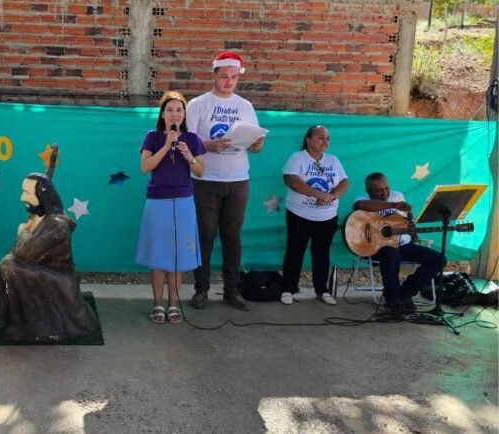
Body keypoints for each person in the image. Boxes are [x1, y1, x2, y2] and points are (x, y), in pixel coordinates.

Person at [186, 51, 264, 311]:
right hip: (205, 180)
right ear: (214, 75)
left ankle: (232, 290)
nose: (229, 82)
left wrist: (256, 144)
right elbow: (187, 141)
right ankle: (201, 290)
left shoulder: (245, 106)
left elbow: (254, 144)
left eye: (233, 78)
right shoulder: (198, 104)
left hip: (238, 180)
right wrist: (208, 145)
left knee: (232, 237)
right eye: (224, 77)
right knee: (205, 236)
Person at [0, 172, 99, 342]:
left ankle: (27, 324)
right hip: (38, 271)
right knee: (8, 264)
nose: (21, 197)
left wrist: (22, 232)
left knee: (9, 265)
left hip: (56, 278)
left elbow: (25, 253)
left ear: (42, 196)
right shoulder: (37, 216)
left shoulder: (56, 224)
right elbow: (20, 253)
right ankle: (15, 320)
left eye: (27, 193)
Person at [136, 91, 206, 324]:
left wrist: (189, 156)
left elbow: (200, 171)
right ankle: (157, 304)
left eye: (179, 110)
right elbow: (145, 167)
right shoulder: (152, 137)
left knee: (177, 257)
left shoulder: (193, 139)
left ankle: (173, 304)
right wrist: (167, 146)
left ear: (184, 114)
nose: (174, 114)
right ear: (162, 114)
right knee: (159, 255)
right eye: (170, 110)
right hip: (157, 202)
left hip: (184, 201)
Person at [353, 172, 446, 313]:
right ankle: (392, 297)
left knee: (439, 260)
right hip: (378, 247)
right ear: (368, 191)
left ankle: (406, 292)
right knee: (392, 254)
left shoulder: (398, 195)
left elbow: (408, 212)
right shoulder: (362, 200)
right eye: (379, 190)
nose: (384, 193)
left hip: (404, 245)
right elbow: (359, 205)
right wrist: (393, 205)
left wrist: (413, 229)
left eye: (386, 188)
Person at [280, 125, 349, 305]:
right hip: (299, 214)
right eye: (320, 137)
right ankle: (288, 288)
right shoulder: (297, 158)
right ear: (308, 139)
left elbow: (344, 182)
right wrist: (318, 195)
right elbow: (291, 180)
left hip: (327, 216)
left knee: (322, 253)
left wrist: (331, 196)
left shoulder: (333, 160)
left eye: (327, 138)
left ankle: (321, 290)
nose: (325, 142)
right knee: (295, 251)